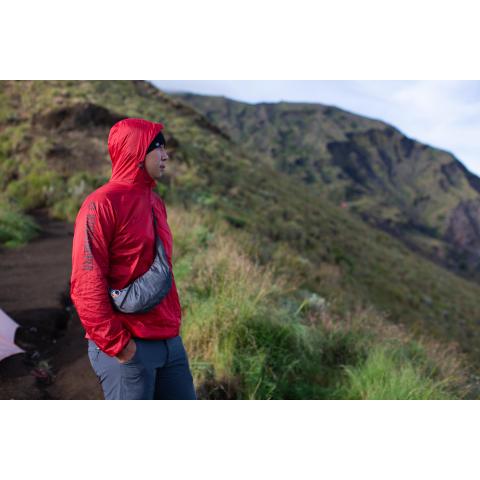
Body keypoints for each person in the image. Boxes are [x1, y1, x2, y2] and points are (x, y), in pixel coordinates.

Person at [70, 117, 197, 400]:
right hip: (130, 346)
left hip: (169, 340)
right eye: (157, 147)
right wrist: (118, 345)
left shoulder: (154, 201)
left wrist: (171, 333)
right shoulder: (101, 204)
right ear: (137, 151)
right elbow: (86, 282)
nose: (165, 155)